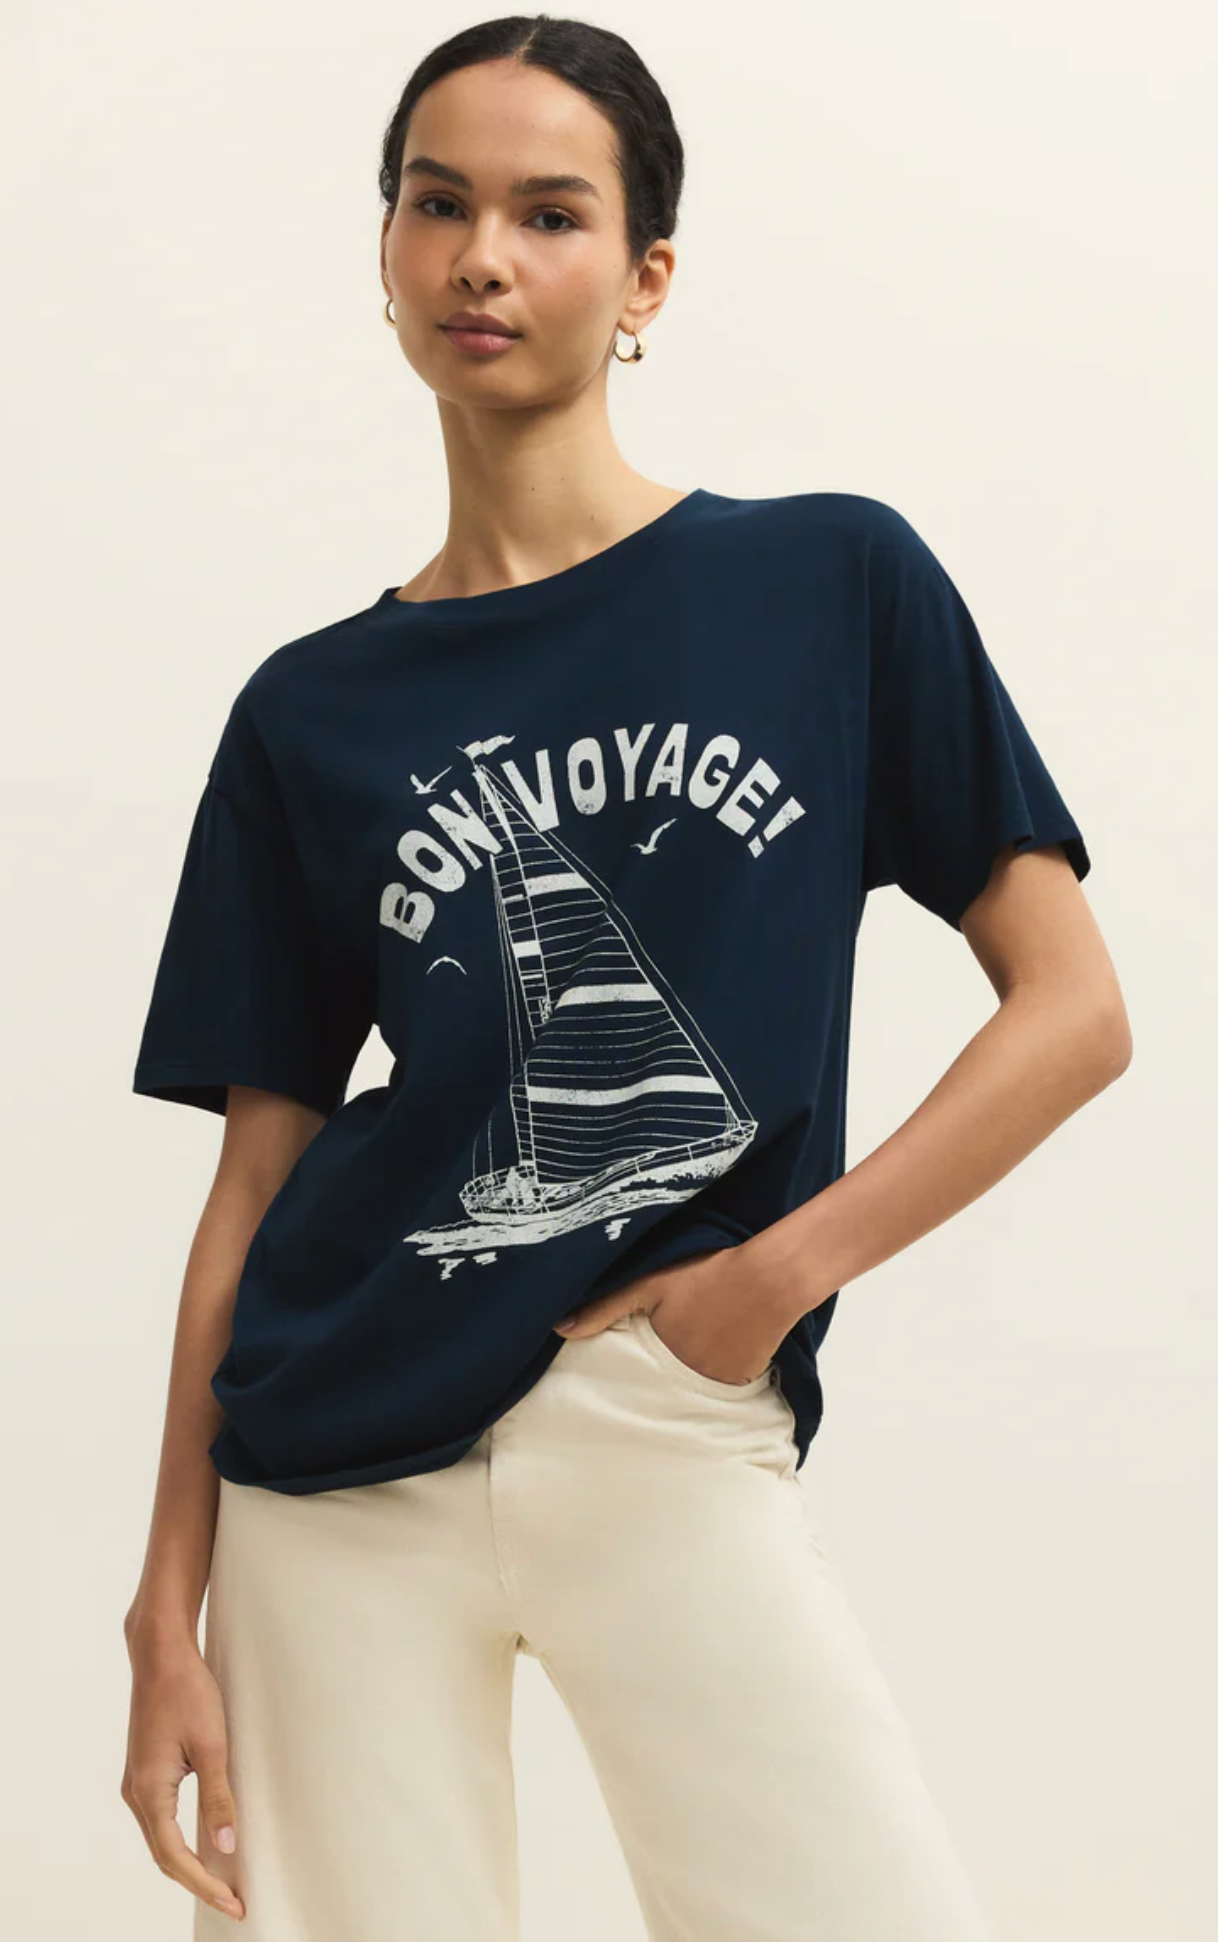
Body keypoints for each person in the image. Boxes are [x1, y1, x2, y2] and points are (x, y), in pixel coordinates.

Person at [119, 16, 1132, 1940]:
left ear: (646, 275)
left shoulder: (827, 582)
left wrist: (765, 1282)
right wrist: (166, 1604)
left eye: (548, 213)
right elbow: (255, 1176)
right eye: (438, 204)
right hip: (330, 1473)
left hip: (659, 1405)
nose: (481, 257)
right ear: (387, 248)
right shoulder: (309, 709)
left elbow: (1073, 1009)